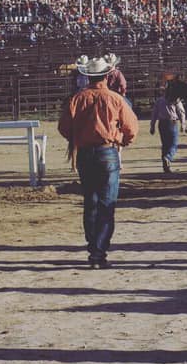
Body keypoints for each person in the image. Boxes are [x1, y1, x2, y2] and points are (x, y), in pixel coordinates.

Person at [58, 56, 138, 269]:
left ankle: (93, 247)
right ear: (106, 75)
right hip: (107, 151)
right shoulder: (115, 99)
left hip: (85, 153)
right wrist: (121, 140)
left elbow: (64, 127)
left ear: (88, 76)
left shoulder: (77, 99)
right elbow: (131, 128)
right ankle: (99, 253)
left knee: (90, 202)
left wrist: (77, 137)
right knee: (106, 204)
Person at [150, 78, 186, 173]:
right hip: (172, 123)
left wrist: (152, 126)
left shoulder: (159, 100)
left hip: (162, 123)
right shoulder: (176, 100)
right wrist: (183, 124)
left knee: (165, 145)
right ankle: (168, 157)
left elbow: (154, 114)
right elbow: (181, 112)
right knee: (173, 144)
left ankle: (165, 165)